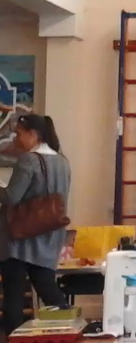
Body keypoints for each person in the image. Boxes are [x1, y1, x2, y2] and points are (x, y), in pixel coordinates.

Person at [0, 114, 71, 335]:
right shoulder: (62, 161)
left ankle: (14, 338)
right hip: (49, 235)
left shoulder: (28, 160)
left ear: (33, 134)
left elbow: (12, 197)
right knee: (48, 289)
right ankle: (67, 329)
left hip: (21, 237)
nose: (17, 139)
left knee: (13, 293)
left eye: (19, 134)